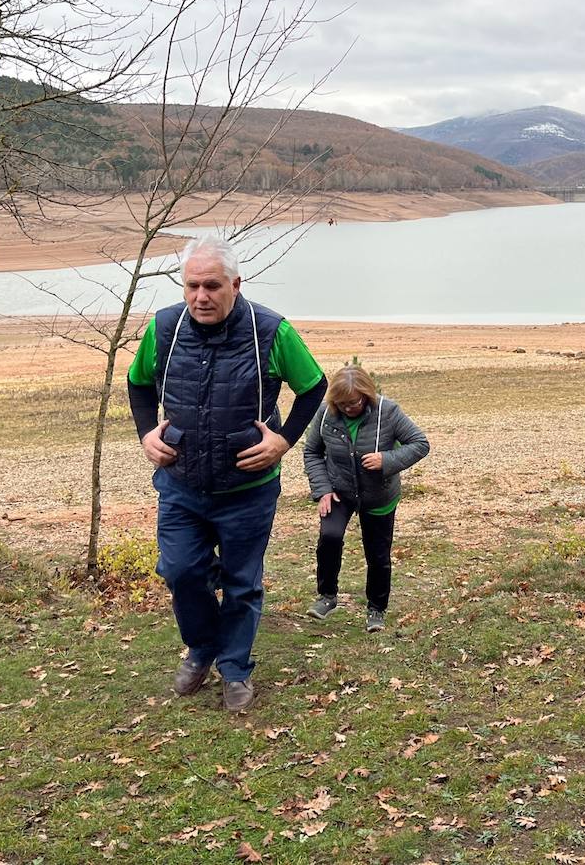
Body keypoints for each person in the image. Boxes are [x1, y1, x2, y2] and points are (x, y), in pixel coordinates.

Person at [127, 234, 327, 713]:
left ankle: (234, 667)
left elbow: (314, 387)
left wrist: (283, 440)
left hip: (248, 488)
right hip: (181, 483)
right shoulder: (164, 329)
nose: (201, 296)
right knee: (180, 570)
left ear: (236, 284)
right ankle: (201, 648)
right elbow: (137, 385)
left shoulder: (272, 331)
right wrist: (145, 435)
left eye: (212, 285)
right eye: (192, 286)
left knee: (242, 580)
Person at [303, 364, 430, 632]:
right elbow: (312, 452)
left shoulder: (388, 411)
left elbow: (420, 444)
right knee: (330, 536)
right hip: (339, 490)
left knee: (378, 554)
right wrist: (323, 489)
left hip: (379, 494)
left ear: (367, 395)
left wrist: (387, 460)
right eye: (343, 404)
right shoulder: (325, 414)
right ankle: (327, 596)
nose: (350, 408)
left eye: (355, 402)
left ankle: (376, 609)